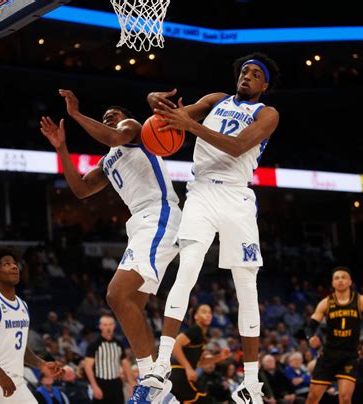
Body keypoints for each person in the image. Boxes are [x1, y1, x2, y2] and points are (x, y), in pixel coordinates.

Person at [140, 52, 281, 404]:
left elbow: (237, 147)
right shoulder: (216, 100)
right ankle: (160, 363)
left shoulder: (267, 113)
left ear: (264, 85)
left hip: (236, 196)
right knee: (186, 269)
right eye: (244, 71)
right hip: (201, 190)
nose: (246, 76)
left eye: (254, 74)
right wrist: (154, 104)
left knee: (246, 286)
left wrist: (192, 127)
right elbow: (170, 121)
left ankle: (250, 384)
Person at [40, 90, 182, 401]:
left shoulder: (133, 129)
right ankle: (162, 393)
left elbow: (116, 135)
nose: (108, 118)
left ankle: (151, 380)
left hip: (159, 214)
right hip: (143, 224)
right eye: (105, 117)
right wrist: (62, 148)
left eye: (111, 115)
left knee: (116, 294)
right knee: (130, 305)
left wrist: (76, 115)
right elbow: (79, 189)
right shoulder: (108, 161)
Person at [0, 250, 63, 403]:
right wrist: (0, 374)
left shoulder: (23, 306)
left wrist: (41, 364)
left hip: (16, 381)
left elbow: (19, 347)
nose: (14, 267)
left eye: (14, 263)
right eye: (7, 264)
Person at [304, 266, 363, 404]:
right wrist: (311, 338)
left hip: (349, 355)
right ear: (333, 283)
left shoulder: (361, 300)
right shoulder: (326, 302)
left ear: (350, 281)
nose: (340, 280)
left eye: (343, 277)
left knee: (345, 399)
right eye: (336, 278)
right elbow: (310, 326)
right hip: (328, 355)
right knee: (312, 398)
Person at [170, 304, 231, 403]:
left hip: (180, 375)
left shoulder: (202, 335)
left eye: (210, 312)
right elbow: (176, 344)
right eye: (204, 312)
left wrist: (220, 356)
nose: (208, 314)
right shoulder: (195, 330)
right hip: (179, 373)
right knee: (204, 400)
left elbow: (200, 363)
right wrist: (188, 368)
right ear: (196, 316)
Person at [83, 315, 134, 404]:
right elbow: (87, 366)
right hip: (101, 382)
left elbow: (125, 363)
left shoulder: (119, 344)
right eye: (105, 325)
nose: (108, 327)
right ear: (100, 326)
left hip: (116, 383)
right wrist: (94, 386)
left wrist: (131, 382)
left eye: (110, 324)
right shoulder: (94, 344)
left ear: (114, 326)